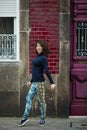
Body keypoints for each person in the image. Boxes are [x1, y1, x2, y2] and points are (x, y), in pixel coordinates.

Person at [18, 40, 56, 127]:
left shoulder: (43, 58)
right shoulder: (36, 58)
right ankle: (25, 117)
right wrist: (30, 81)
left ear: (43, 47)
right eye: (37, 46)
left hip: (40, 84)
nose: (38, 47)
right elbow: (36, 72)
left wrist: (52, 82)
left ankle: (42, 119)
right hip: (34, 83)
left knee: (41, 102)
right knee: (28, 98)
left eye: (40, 46)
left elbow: (46, 70)